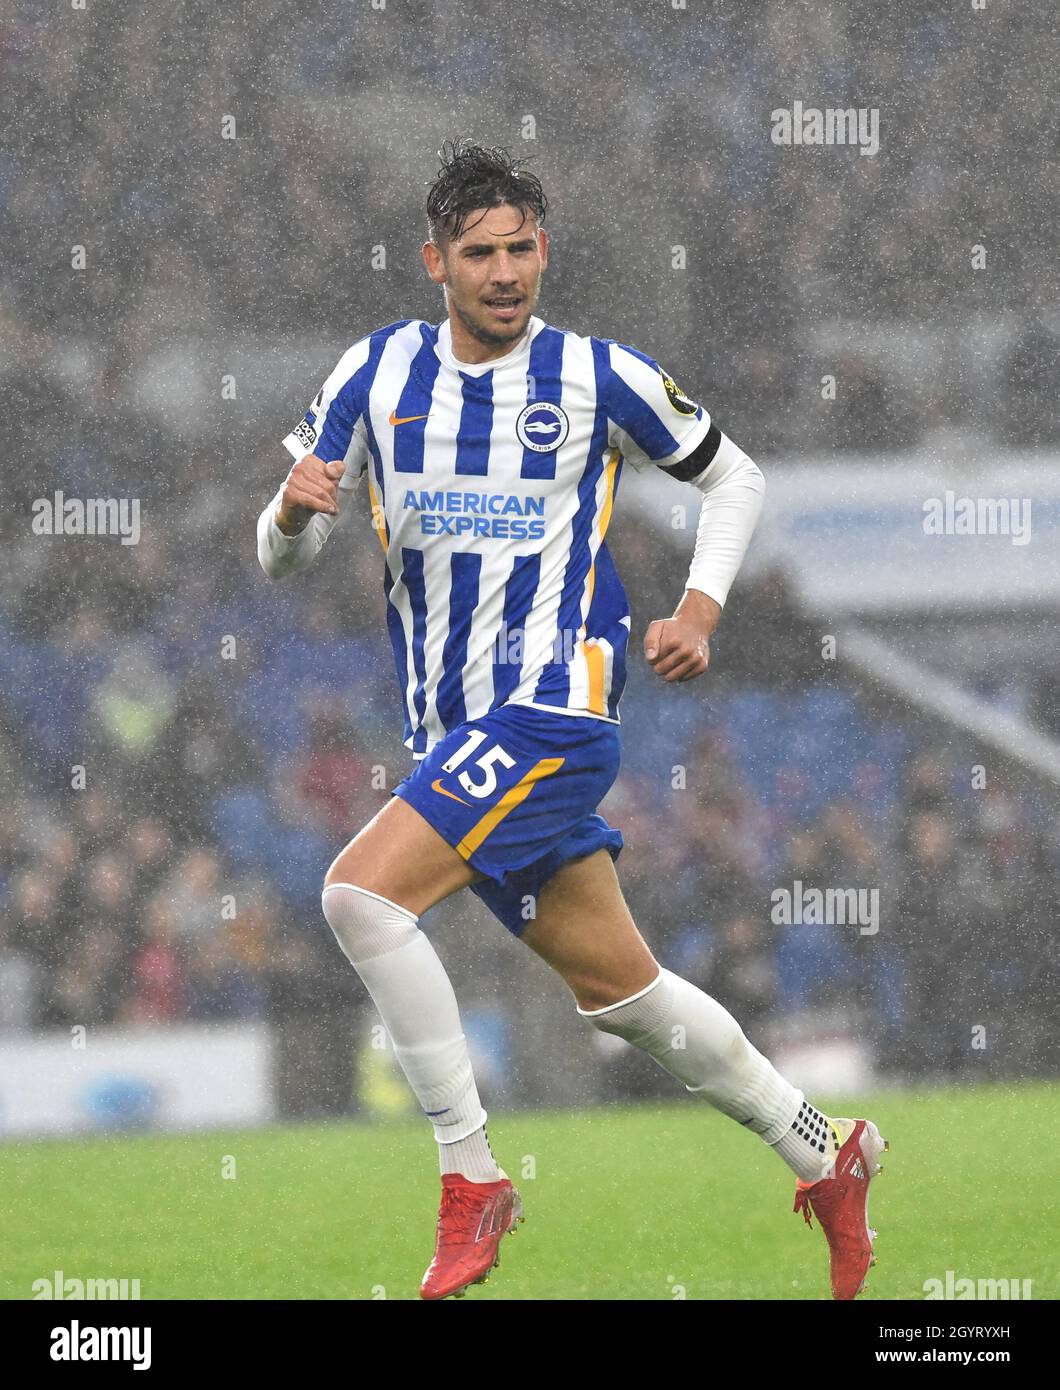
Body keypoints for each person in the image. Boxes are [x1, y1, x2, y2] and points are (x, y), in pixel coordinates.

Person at [256, 139, 887, 1301]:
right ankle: (826, 1149)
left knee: (357, 892)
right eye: (481, 253)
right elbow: (281, 557)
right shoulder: (376, 373)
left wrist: (699, 605)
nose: (506, 273)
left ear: (545, 250)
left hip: (555, 707)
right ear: (434, 261)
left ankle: (472, 1178)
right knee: (627, 995)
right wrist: (292, 520)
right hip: (454, 734)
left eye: (523, 249)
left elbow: (733, 477)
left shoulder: (596, 377)